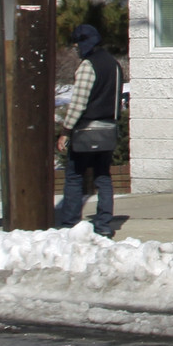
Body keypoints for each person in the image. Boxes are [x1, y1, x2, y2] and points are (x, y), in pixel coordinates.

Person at [54, 23, 123, 235]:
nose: (75, 48)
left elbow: (78, 103)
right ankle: (104, 225)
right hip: (108, 129)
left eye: (76, 44)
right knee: (103, 176)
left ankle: (70, 224)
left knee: (75, 176)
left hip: (86, 130)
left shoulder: (88, 65)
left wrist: (65, 131)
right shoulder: (114, 64)